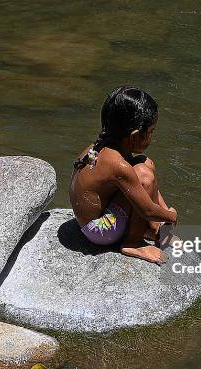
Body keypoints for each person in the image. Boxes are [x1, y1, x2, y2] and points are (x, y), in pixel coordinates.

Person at [69, 85, 177, 265]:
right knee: (144, 176)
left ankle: (155, 229)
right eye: (150, 132)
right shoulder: (118, 165)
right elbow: (147, 209)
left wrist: (163, 217)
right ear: (134, 136)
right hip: (98, 230)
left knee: (145, 163)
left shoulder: (103, 146)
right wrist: (171, 217)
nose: (152, 137)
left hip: (91, 219)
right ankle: (133, 242)